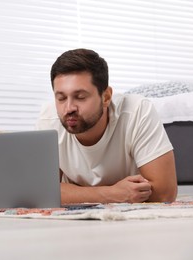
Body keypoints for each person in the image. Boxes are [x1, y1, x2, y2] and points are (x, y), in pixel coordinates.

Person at [36, 48, 177, 203]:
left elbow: (165, 193)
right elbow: (41, 192)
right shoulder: (48, 121)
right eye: (61, 98)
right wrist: (111, 194)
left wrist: (73, 193)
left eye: (80, 97)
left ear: (106, 97)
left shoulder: (137, 111)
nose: (69, 108)